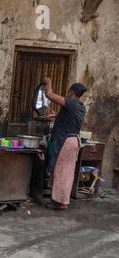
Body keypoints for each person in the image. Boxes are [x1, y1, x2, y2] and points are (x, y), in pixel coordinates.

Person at [43, 76, 87, 210]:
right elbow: (70, 118)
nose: (67, 93)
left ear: (72, 92)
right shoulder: (80, 106)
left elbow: (49, 94)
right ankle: (59, 200)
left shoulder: (72, 103)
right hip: (72, 141)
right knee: (63, 171)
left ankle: (61, 202)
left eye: (68, 91)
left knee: (62, 171)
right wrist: (57, 115)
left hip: (66, 142)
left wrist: (48, 81)